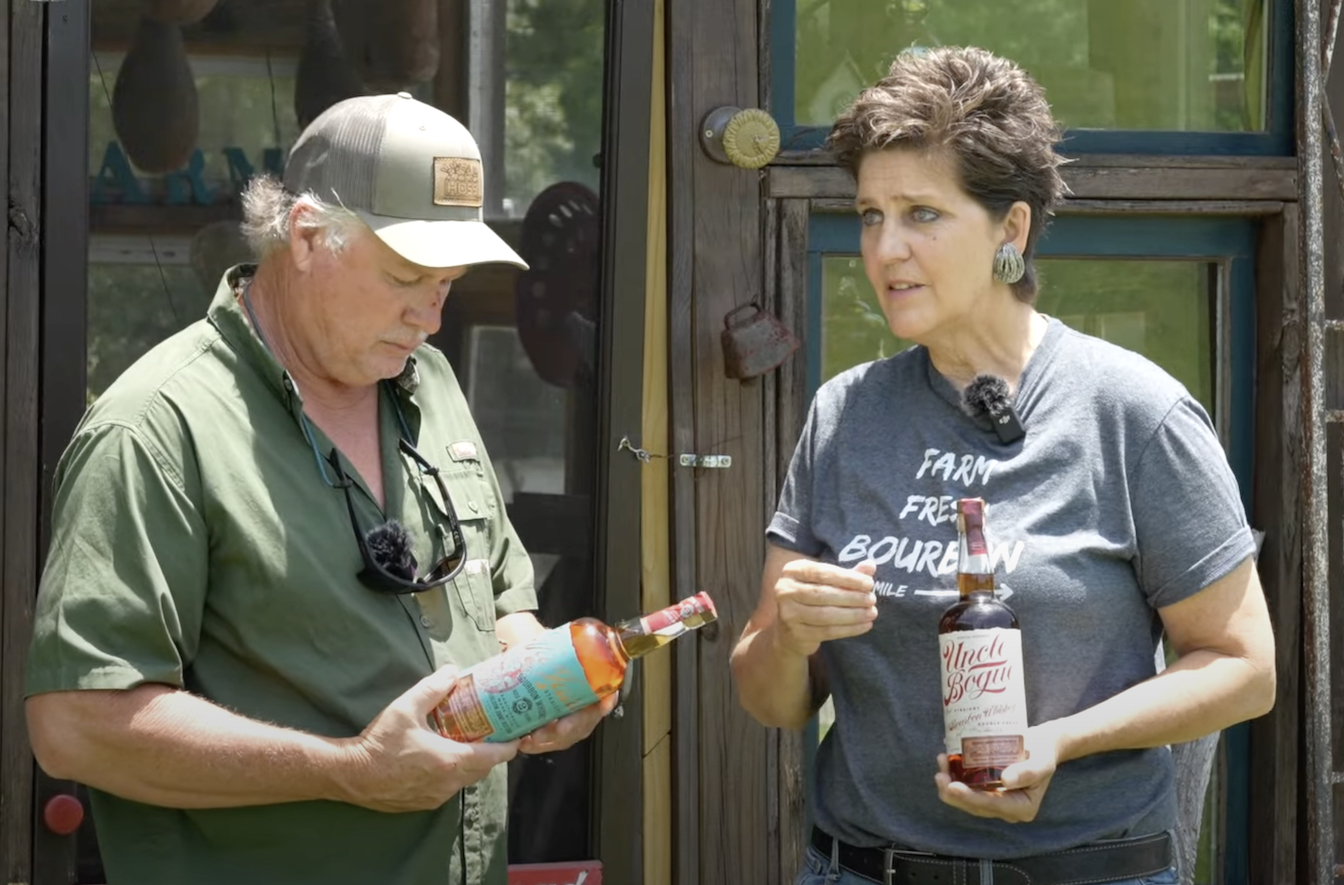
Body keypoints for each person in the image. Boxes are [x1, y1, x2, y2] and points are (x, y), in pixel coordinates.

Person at [25, 92, 614, 885]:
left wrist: (547, 678)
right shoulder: (155, 428)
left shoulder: (428, 381)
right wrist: (349, 769)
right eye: (406, 276)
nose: (430, 318)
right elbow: (74, 725)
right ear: (305, 236)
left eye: (448, 282)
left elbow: (502, 602)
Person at [730, 47, 1276, 885]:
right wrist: (788, 636)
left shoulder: (1133, 412)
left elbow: (1244, 670)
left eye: (922, 213)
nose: (885, 248)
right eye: (871, 214)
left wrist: (1060, 741)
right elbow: (772, 697)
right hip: (858, 868)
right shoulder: (846, 414)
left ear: (1010, 232)